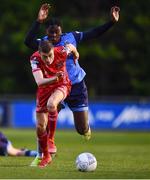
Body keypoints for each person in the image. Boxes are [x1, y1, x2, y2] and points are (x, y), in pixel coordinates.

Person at [24, 3, 120, 166]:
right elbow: (27, 41)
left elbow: (94, 33)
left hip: (75, 85)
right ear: (46, 33)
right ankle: (43, 154)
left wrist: (111, 22)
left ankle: (85, 129)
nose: (54, 35)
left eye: (57, 32)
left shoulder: (72, 38)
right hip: (55, 85)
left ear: (62, 30)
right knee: (44, 119)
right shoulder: (44, 45)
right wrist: (38, 21)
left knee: (80, 128)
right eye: (51, 33)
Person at [29, 40, 79, 168]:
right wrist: (54, 78)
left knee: (52, 105)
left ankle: (51, 139)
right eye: (44, 56)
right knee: (40, 127)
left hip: (62, 85)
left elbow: (71, 46)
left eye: (50, 55)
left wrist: (76, 53)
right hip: (44, 89)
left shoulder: (61, 51)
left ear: (53, 51)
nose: (48, 59)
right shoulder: (34, 59)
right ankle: (46, 156)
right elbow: (39, 82)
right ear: (39, 53)